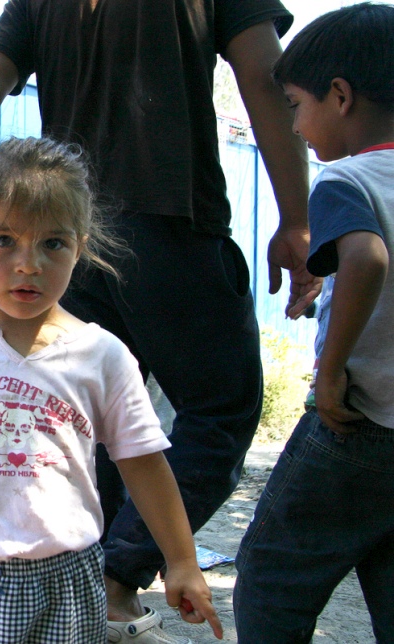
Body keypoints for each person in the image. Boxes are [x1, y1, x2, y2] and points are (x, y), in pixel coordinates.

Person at [0, 1, 321, 641]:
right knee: (214, 413)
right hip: (159, 227)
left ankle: (104, 574)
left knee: (98, 425)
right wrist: (295, 216)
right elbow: (264, 76)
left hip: (85, 236)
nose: (17, 266)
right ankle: (113, 576)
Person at [0, 137, 223, 642]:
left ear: (81, 248)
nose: (28, 264)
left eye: (53, 243)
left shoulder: (103, 356)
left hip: (67, 583)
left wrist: (183, 561)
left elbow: (145, 462)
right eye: (4, 240)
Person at [233, 4, 394, 641]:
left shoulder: (346, 179)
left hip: (356, 425)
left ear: (341, 96)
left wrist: (329, 374)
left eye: (297, 104)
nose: (296, 124)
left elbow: (368, 257)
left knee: (272, 574)